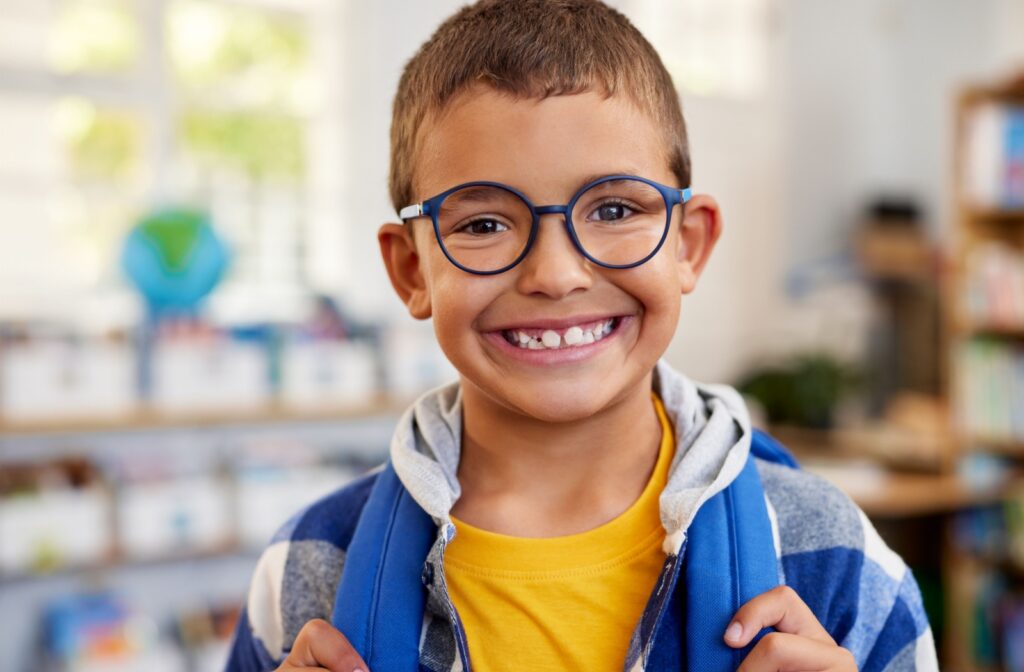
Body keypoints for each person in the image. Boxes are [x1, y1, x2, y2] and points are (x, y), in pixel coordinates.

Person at [226, 1, 938, 670]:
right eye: (482, 224)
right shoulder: (310, 568)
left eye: (616, 208)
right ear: (411, 268)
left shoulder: (835, 560)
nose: (556, 274)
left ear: (689, 244)